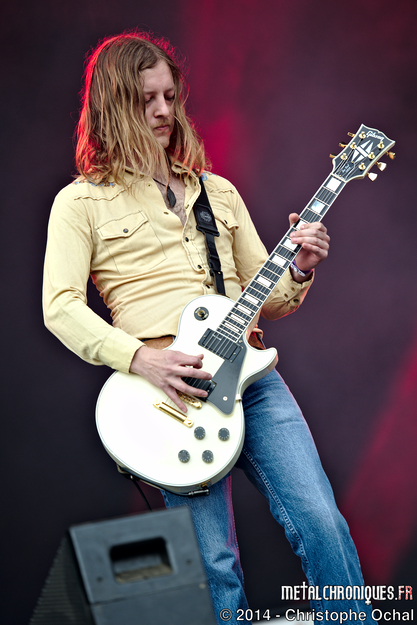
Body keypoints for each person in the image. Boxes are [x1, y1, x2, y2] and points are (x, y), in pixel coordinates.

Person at [43, 31, 374, 624]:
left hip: (250, 375)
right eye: (146, 99)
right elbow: (60, 306)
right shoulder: (80, 203)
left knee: (321, 519)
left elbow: (269, 299)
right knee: (215, 562)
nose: (163, 111)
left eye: (170, 97)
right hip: (169, 389)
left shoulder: (216, 191)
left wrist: (299, 268)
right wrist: (141, 359)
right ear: (113, 104)